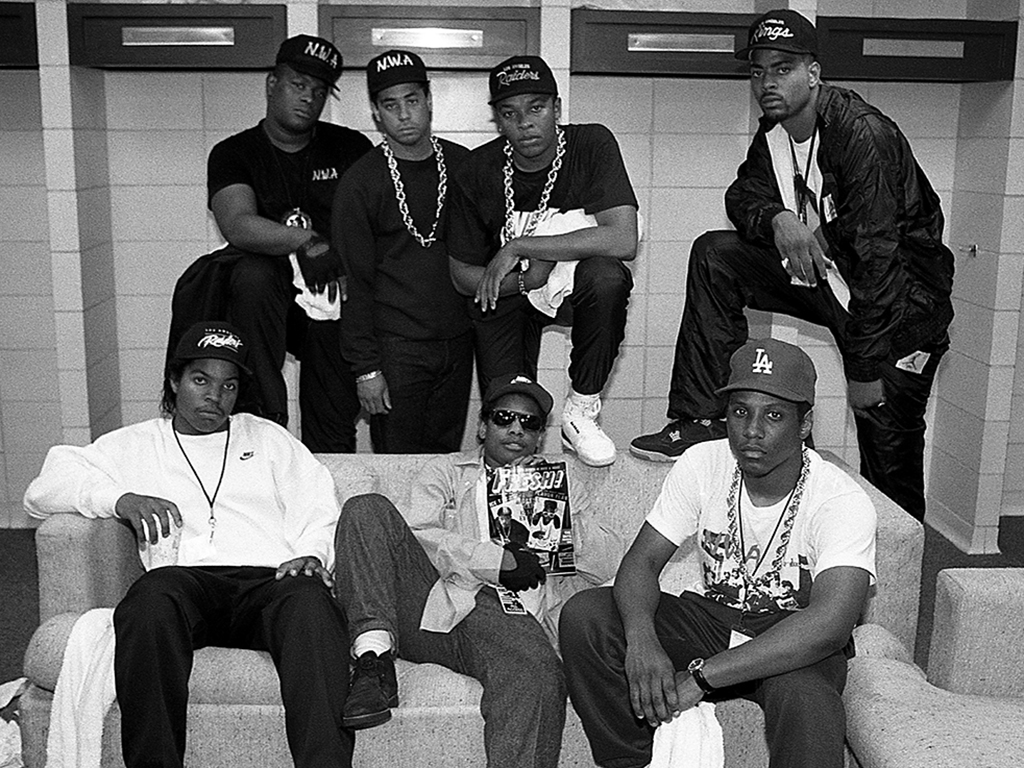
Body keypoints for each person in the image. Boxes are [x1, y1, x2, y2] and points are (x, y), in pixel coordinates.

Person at [630, 10, 954, 522]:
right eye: (758, 71)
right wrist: (780, 218)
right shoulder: (776, 131)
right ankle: (701, 416)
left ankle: (898, 580)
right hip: (831, 283)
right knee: (717, 254)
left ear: (814, 73)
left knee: (889, 466)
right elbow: (743, 194)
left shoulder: (862, 135)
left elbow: (879, 263)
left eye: (783, 68)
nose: (767, 82)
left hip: (899, 314)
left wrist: (863, 369)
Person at [24, 321, 355, 768]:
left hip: (271, 582)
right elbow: (44, 488)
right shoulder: (135, 444)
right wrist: (119, 499)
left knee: (312, 603)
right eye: (201, 380)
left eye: (228, 385)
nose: (214, 396)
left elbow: (319, 505)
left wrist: (313, 553)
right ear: (175, 381)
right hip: (186, 585)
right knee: (148, 600)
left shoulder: (268, 439)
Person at [561, 339, 877, 768]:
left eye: (775, 415)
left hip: (790, 635)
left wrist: (701, 678)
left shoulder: (840, 499)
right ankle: (631, 761)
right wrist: (641, 638)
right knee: (587, 614)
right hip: (711, 618)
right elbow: (641, 562)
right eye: (741, 411)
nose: (752, 430)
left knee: (806, 698)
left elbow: (829, 625)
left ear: (804, 425)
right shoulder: (701, 463)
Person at [332, 373, 621, 768]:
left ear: (540, 436)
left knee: (538, 672)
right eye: (504, 418)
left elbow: (609, 563)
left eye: (529, 422)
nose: (516, 429)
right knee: (365, 508)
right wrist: (493, 561)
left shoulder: (564, 482)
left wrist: (557, 512)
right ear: (483, 427)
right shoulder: (447, 472)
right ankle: (372, 660)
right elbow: (418, 535)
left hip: (512, 624)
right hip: (441, 604)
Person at [447, 54, 639, 468]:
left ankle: (581, 410)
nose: (525, 123)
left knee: (607, 277)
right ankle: (505, 502)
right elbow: (463, 276)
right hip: (510, 294)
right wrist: (528, 280)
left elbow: (623, 238)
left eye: (536, 108)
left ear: (557, 108)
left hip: (576, 287)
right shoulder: (478, 169)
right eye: (510, 113)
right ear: (498, 119)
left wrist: (520, 246)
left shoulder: (591, 144)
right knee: (511, 412)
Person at [184, 34, 372, 451]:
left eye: (319, 91)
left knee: (333, 394)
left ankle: (328, 473)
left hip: (327, 303)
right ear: (272, 84)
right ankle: (262, 426)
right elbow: (237, 223)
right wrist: (307, 240)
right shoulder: (234, 152)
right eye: (298, 85)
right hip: (263, 308)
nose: (308, 98)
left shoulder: (349, 147)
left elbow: (375, 223)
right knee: (253, 275)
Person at [332, 50, 473, 453]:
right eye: (391, 105)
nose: (404, 115)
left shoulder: (464, 166)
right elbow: (352, 282)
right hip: (396, 347)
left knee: (445, 462)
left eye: (412, 100)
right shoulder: (361, 182)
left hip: (458, 341)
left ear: (429, 100)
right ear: (376, 113)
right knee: (398, 462)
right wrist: (366, 370)